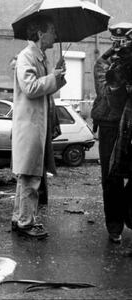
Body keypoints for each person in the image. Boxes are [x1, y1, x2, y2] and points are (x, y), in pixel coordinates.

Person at [11, 15, 66, 238]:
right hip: (30, 126)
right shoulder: (27, 56)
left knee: (28, 175)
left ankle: (20, 218)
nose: (56, 35)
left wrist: (58, 76)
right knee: (30, 177)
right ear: (41, 34)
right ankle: (25, 223)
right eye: (52, 30)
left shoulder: (39, 57)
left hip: (35, 125)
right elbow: (31, 88)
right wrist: (53, 77)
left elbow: (44, 88)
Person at [91, 22, 132, 244]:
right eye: (115, 42)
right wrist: (118, 82)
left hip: (130, 123)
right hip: (109, 125)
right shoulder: (102, 63)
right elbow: (107, 94)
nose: (118, 46)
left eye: (123, 42)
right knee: (110, 177)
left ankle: (127, 211)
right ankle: (114, 226)